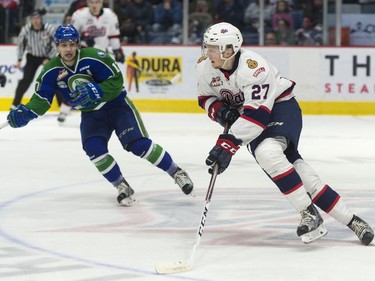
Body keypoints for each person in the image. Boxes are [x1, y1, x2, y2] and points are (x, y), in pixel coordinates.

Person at [196, 22, 374, 245]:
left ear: (229, 49)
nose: (207, 52)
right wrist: (221, 112)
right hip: (249, 117)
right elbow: (205, 98)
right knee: (299, 172)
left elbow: (257, 117)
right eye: (207, 46)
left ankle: (309, 214)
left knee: (268, 153)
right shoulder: (204, 67)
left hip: (281, 107)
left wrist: (228, 144)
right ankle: (354, 221)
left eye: (213, 48)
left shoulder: (253, 67)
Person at [6, 24, 194, 206]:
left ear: (78, 44)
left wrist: (97, 89)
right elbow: (42, 98)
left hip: (117, 106)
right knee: (94, 149)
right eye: (64, 45)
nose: (68, 49)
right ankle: (121, 186)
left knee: (138, 145)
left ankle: (176, 172)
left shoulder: (95, 57)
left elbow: (117, 81)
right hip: (92, 115)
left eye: (72, 44)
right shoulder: (51, 71)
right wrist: (27, 112)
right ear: (56, 47)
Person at [57, 0, 125, 123]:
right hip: (83, 55)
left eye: (97, 2)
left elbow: (113, 36)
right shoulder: (79, 15)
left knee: (105, 83)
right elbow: (70, 36)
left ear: (101, 3)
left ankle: (109, 111)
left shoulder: (110, 15)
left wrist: (117, 50)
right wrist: (82, 39)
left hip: (102, 57)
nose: (94, 5)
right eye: (91, 2)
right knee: (78, 84)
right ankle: (64, 110)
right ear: (88, 3)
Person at [11, 8, 57, 109]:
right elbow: (21, 44)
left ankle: (62, 104)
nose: (35, 21)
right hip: (32, 56)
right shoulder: (26, 29)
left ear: (41, 19)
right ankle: (15, 104)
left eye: (37, 18)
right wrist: (19, 59)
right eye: (33, 18)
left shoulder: (49, 28)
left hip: (47, 56)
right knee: (26, 80)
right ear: (30, 19)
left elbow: (56, 44)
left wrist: (49, 58)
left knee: (55, 78)